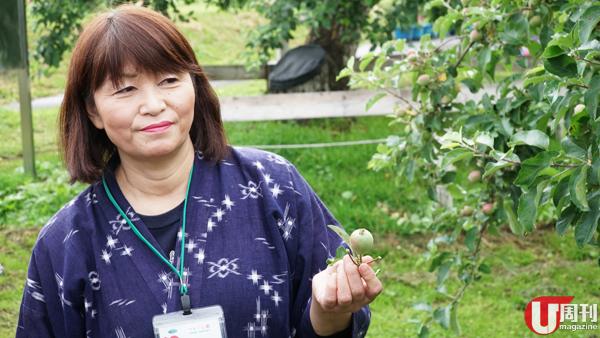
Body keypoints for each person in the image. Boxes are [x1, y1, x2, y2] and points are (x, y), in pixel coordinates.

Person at [16, 4, 383, 338]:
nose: (154, 104)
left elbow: (329, 321)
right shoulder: (65, 243)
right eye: (126, 89)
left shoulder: (274, 187)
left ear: (194, 84)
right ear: (92, 110)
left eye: (169, 80)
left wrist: (330, 310)